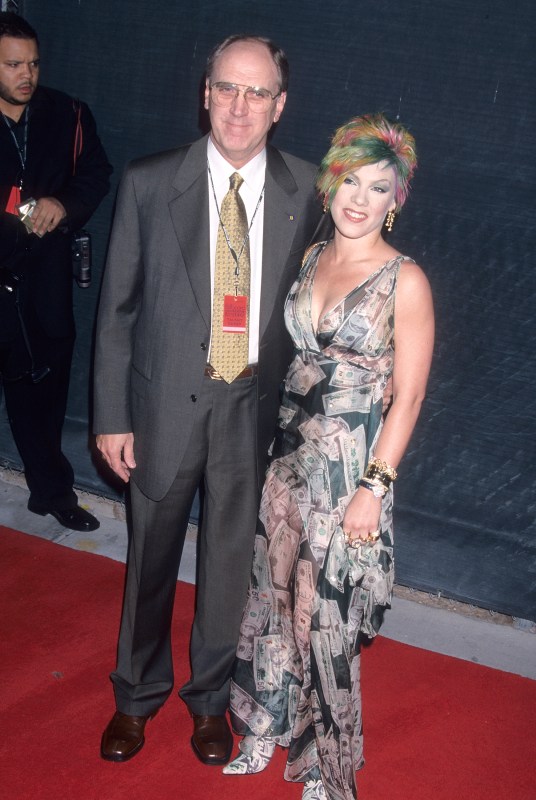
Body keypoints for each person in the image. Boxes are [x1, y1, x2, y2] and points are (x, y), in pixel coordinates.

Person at [94, 35, 327, 765]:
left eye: (257, 93)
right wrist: (110, 417)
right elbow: (117, 311)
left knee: (228, 568)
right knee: (150, 562)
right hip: (162, 408)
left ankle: (210, 702)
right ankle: (134, 697)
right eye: (227, 88)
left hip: (247, 414)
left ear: (280, 107)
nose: (239, 106)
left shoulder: (311, 190)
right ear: (205, 93)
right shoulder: (148, 181)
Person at [223, 113, 434, 800]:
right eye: (350, 178)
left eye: (379, 187)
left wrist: (376, 486)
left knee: (328, 624)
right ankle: (265, 723)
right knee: (273, 601)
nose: (359, 197)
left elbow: (406, 399)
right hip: (286, 463)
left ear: (394, 203)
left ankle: (324, 767)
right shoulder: (311, 257)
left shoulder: (406, 281)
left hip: (349, 477)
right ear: (329, 181)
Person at [0, 12, 112, 532]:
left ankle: (52, 493)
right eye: (13, 64)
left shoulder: (68, 112)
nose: (27, 74)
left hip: (44, 281)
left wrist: (63, 205)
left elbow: (96, 173)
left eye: (34, 63)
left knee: (45, 391)